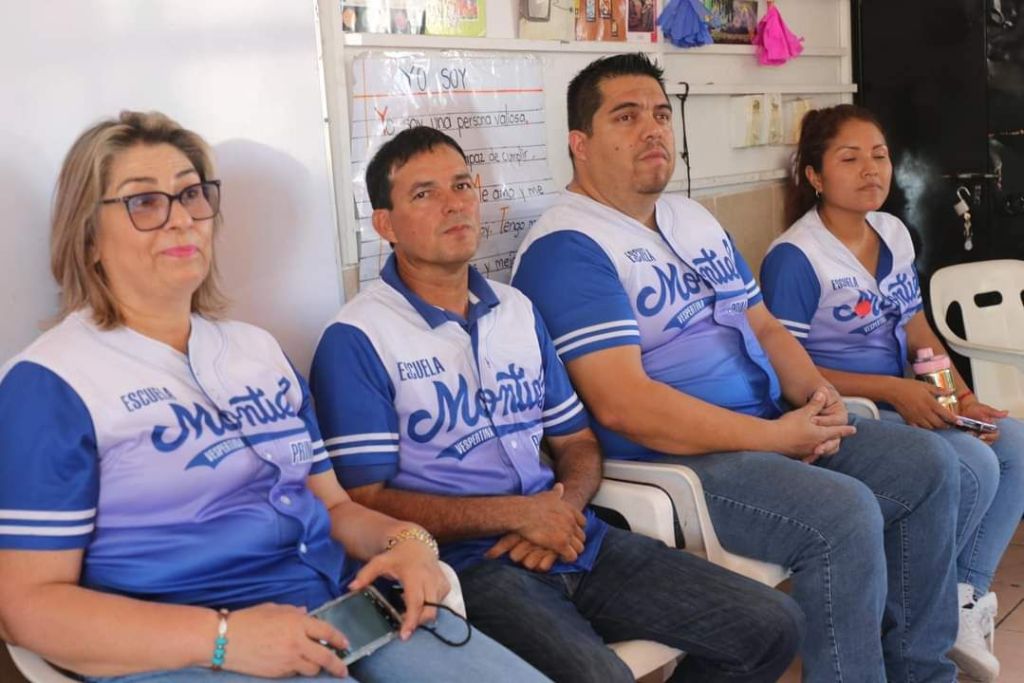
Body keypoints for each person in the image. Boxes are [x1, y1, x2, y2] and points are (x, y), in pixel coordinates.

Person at [0, 111, 546, 683]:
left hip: (340, 614)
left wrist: (407, 542)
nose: (180, 219)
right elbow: (23, 606)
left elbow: (334, 509)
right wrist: (223, 638)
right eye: (144, 202)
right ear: (88, 236)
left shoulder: (256, 352)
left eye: (191, 195)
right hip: (193, 650)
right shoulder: (51, 384)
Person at [510, 53, 961, 683]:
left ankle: (920, 672)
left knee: (930, 466)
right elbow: (625, 406)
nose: (652, 130)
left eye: (661, 115)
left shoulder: (690, 217)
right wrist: (777, 437)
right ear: (579, 144)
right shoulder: (568, 247)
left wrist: (818, 395)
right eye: (627, 116)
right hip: (681, 461)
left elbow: (765, 326)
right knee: (844, 513)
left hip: (765, 424)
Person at [309, 125, 804, 683]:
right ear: (385, 224)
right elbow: (365, 500)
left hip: (575, 538)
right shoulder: (358, 338)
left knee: (772, 626)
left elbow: (576, 441)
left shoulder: (516, 310)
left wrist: (560, 510)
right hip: (471, 567)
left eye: (462, 185)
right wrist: (518, 516)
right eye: (424, 194)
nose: (453, 204)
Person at [760, 102, 1024, 682]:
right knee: (974, 464)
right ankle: (919, 610)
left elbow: (917, 331)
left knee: (1012, 443)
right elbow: (785, 372)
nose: (870, 170)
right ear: (814, 175)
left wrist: (958, 399)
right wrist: (894, 391)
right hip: (848, 412)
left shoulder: (893, 232)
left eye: (879, 156)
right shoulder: (796, 258)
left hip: (905, 399)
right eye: (849, 158)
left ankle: (957, 598)